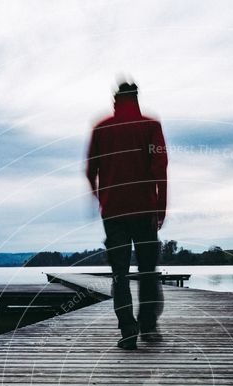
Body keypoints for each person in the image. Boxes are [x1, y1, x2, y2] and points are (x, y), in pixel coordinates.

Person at [86, 81, 168, 349]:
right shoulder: (151, 126)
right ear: (136, 98)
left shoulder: (101, 128)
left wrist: (102, 199)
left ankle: (127, 330)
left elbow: (90, 170)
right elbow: (160, 167)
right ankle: (149, 326)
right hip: (145, 210)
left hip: (114, 214)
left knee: (119, 273)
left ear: (116, 100)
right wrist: (161, 206)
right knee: (147, 270)